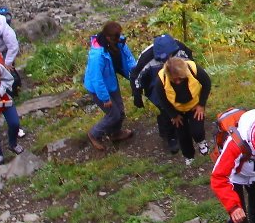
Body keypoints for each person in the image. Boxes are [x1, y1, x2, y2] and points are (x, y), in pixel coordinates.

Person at [144, 55, 212, 165]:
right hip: (176, 109)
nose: (177, 82)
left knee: (197, 131)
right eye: (174, 80)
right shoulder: (161, 80)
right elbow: (162, 100)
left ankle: (201, 142)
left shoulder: (193, 68)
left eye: (180, 78)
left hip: (194, 106)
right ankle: (189, 156)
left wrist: (201, 104)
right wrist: (173, 115)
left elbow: (207, 83)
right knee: (182, 135)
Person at [83, 21, 136, 151]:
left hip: (110, 82)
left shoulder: (118, 42)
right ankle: (94, 134)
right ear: (108, 37)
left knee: (120, 111)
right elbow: (96, 79)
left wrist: (135, 74)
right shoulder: (97, 55)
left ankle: (115, 133)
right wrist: (105, 98)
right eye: (116, 38)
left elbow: (128, 59)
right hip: (98, 89)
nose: (119, 39)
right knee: (114, 115)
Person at [130, 33, 195, 107]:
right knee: (162, 102)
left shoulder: (180, 48)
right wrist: (137, 94)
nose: (167, 61)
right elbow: (135, 76)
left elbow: (192, 65)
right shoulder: (146, 57)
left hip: (177, 78)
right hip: (155, 82)